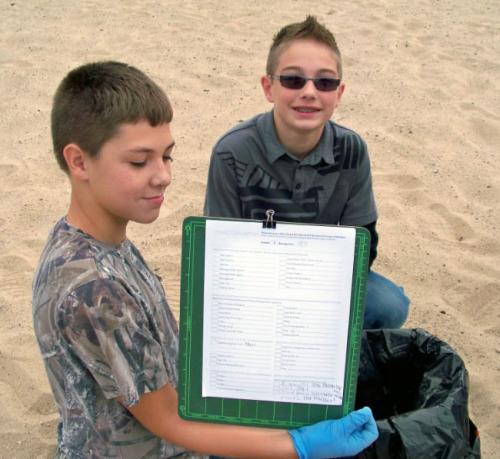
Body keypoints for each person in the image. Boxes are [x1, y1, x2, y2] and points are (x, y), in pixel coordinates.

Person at [32, 61, 378, 458]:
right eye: (139, 161)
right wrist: (297, 445)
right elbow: (168, 422)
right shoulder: (94, 287)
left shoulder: (104, 240)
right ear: (79, 162)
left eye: (167, 156)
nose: (162, 176)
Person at [203, 16, 409, 329]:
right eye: (293, 80)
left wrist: (313, 297)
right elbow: (220, 249)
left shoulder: (352, 150)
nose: (309, 92)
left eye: (325, 82)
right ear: (268, 87)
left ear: (338, 94)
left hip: (326, 277)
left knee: (390, 306)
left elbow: (363, 243)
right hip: (253, 281)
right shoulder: (231, 151)